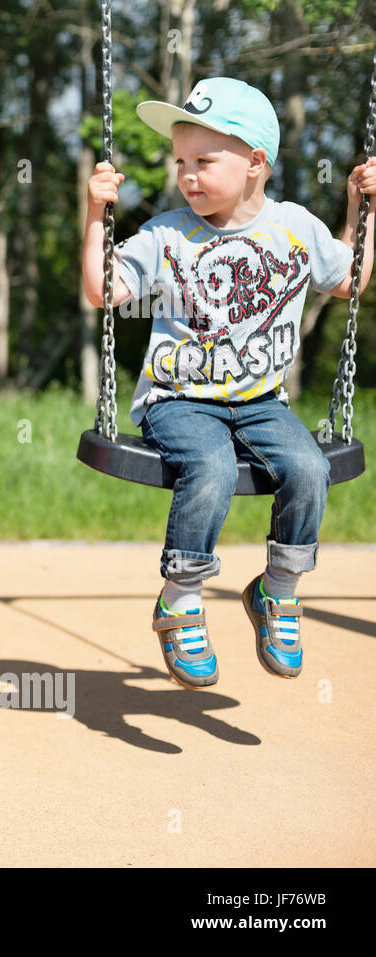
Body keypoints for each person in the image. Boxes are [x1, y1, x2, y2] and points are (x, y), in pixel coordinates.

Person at [82, 77, 375, 688]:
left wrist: (361, 211)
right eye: (181, 161)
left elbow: (348, 279)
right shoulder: (167, 233)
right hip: (179, 401)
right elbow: (102, 290)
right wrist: (95, 214)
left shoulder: (293, 226)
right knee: (211, 467)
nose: (188, 175)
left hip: (260, 402)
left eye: (204, 161)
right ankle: (180, 599)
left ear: (255, 164)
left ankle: (279, 590)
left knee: (309, 467)